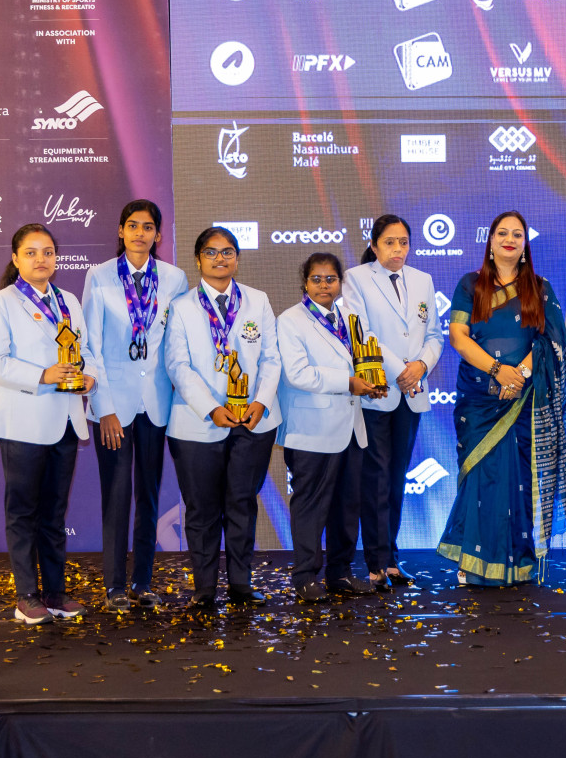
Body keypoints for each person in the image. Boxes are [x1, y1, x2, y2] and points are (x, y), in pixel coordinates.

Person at [437, 211, 566, 586]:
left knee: (520, 479)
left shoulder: (540, 288)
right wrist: (498, 371)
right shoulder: (471, 284)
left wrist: (521, 375)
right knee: (482, 477)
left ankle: (519, 563)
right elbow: (458, 337)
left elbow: (551, 340)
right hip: (480, 397)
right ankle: (472, 561)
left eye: (517, 234)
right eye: (502, 232)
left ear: (525, 244)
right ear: (491, 240)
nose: (510, 239)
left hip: (525, 398)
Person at [0, 224, 96, 624]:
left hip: (65, 420)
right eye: (31, 252)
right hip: (23, 422)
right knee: (24, 512)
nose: (41, 259)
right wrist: (42, 375)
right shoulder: (0, 303)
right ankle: (26, 596)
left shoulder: (69, 301)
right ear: (15, 259)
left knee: (54, 514)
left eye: (47, 252)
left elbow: (87, 352)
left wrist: (90, 375)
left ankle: (56, 593)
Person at [164, 227, 282, 609]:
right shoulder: (181, 306)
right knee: (201, 510)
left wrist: (261, 402)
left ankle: (241, 586)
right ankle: (203, 590)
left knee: (242, 504)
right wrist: (212, 408)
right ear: (198, 259)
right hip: (198, 424)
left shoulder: (258, 300)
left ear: (238, 258)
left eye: (228, 252)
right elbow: (177, 365)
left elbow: (270, 358)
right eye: (211, 252)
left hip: (252, 422)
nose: (220, 259)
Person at [81, 199, 188, 612]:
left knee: (148, 495)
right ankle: (114, 587)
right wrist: (103, 406)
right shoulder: (100, 276)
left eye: (148, 227)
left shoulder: (175, 278)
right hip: (114, 405)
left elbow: (176, 343)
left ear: (158, 235)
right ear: (121, 231)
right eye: (132, 225)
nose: (140, 233)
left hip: (157, 403)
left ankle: (142, 583)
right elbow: (89, 345)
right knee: (116, 495)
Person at [278, 253, 396, 603]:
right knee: (310, 507)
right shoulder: (290, 321)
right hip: (312, 429)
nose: (324, 285)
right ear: (305, 282)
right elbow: (298, 374)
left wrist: (373, 383)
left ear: (340, 282)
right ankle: (304, 577)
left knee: (347, 508)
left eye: (331, 279)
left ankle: (340, 573)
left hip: (350, 427)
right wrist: (349, 383)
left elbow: (364, 361)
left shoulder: (348, 318)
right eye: (317, 279)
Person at [344, 215, 443, 591]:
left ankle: (392, 559)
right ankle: (374, 562)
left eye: (403, 242)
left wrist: (420, 365)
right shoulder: (355, 278)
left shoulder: (423, 280)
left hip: (412, 391)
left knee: (396, 478)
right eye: (389, 242)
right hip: (377, 390)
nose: (398, 250)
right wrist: (401, 368)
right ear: (374, 245)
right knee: (375, 478)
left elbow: (434, 334)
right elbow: (360, 332)